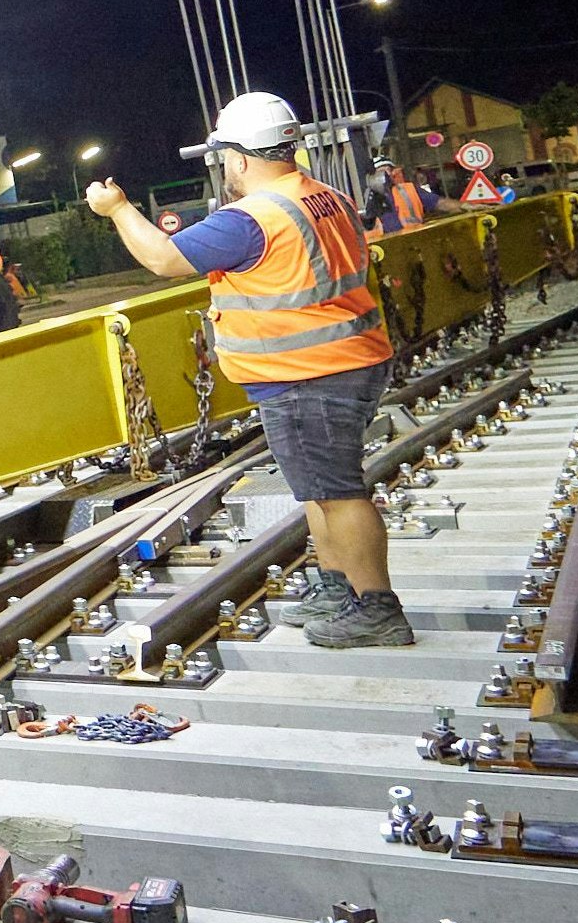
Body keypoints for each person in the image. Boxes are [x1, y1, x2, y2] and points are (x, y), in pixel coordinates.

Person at [84, 91, 414, 649]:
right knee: (317, 491)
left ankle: (377, 607)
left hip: (311, 370)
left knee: (336, 492)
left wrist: (117, 209)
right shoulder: (324, 196)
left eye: (223, 161)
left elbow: (164, 259)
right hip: (341, 360)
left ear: (238, 159)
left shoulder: (251, 219)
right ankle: (339, 589)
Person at [361, 158, 449, 238]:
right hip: (381, 249)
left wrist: (461, 206)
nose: (387, 175)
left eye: (389, 170)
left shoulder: (409, 190)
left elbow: (441, 203)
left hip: (415, 242)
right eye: (382, 172)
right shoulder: (364, 200)